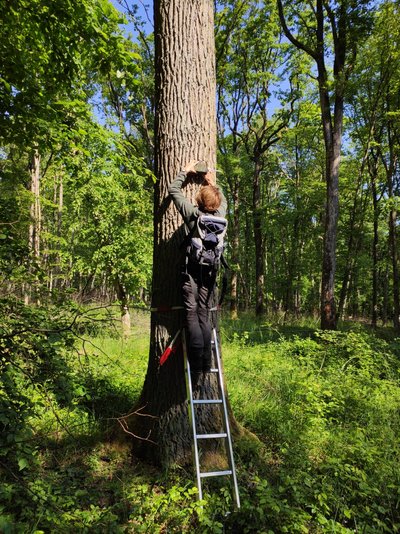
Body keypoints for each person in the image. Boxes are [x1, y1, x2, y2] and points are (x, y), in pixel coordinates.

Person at [168, 160, 227, 382]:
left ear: (198, 201)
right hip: (210, 272)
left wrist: (186, 172)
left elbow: (173, 190)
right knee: (204, 312)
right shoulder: (221, 214)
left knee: (192, 314)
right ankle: (205, 365)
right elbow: (223, 200)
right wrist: (213, 184)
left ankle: (196, 368)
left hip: (190, 271)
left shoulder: (193, 214)